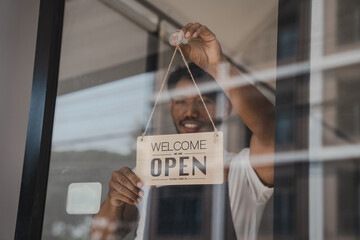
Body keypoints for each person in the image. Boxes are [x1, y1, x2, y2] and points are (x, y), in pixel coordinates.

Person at [91, 23, 275, 240]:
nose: (190, 112)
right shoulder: (147, 171)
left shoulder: (243, 169)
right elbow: (102, 237)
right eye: (180, 102)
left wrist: (218, 66)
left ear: (226, 107)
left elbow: (271, 129)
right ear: (170, 107)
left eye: (203, 101)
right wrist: (114, 200)